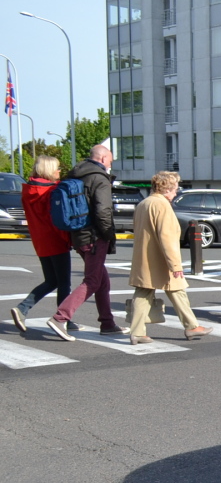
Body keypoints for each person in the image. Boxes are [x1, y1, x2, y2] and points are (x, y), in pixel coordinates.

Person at [45, 144, 124, 340]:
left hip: (77, 234)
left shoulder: (75, 174)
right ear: (103, 159)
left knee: (101, 280)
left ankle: (107, 323)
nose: (110, 165)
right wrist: (109, 235)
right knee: (92, 281)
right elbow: (103, 211)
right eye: (110, 161)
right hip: (94, 237)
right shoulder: (100, 178)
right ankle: (60, 318)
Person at [125, 171, 211, 345]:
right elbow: (167, 237)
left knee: (143, 292)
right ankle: (191, 326)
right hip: (161, 259)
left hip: (145, 257)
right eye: (175, 189)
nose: (176, 192)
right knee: (177, 290)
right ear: (167, 189)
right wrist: (175, 265)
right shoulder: (162, 205)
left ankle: (137, 332)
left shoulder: (144, 203)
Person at [11, 156, 73, 332]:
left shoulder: (28, 189)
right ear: (49, 170)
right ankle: (62, 319)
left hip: (39, 240)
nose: (59, 171)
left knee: (52, 280)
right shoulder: (52, 191)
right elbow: (56, 218)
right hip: (55, 239)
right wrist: (68, 239)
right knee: (63, 283)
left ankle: (23, 309)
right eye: (57, 168)